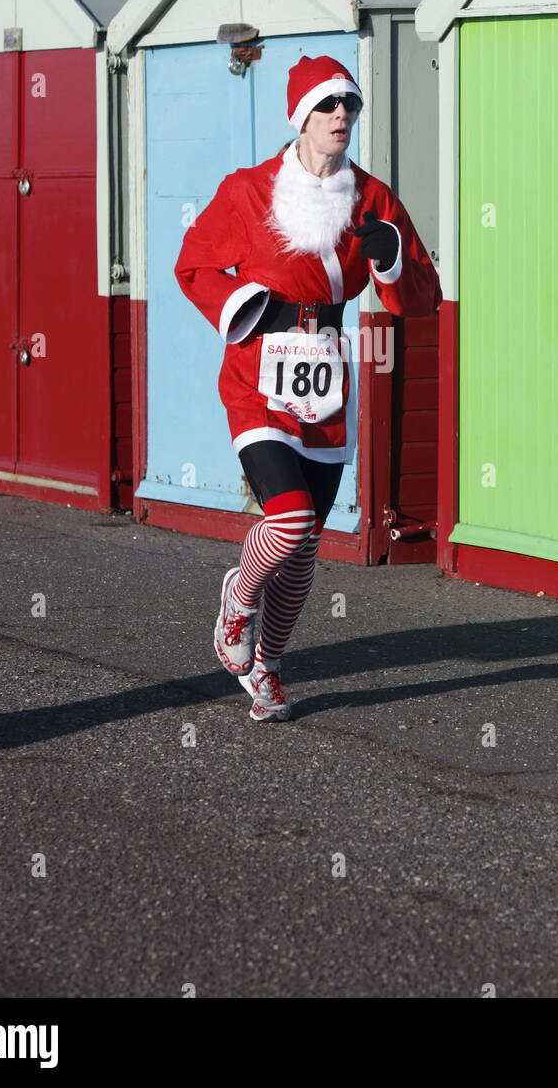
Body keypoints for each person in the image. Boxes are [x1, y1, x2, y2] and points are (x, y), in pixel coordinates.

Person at [175, 54, 441, 721]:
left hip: (325, 382)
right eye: (327, 106)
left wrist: (390, 259)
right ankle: (236, 605)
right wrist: (243, 305)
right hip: (256, 375)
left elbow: (422, 297)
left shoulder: (372, 198)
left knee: (306, 546)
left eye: (349, 104)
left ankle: (269, 666)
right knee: (288, 520)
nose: (341, 116)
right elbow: (194, 265)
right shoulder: (250, 190)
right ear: (301, 116)